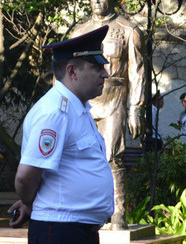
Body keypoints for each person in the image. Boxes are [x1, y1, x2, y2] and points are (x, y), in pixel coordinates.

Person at [8, 26, 114, 243]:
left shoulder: (77, 109)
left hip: (75, 229)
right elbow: (25, 177)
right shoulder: (55, 112)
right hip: (60, 230)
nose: (106, 73)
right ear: (72, 71)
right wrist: (29, 203)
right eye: (97, 67)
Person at [70, 0, 146, 230]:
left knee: (112, 155)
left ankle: (118, 213)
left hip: (114, 97)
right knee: (81, 157)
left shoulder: (128, 30)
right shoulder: (79, 32)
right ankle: (88, 211)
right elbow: (67, 72)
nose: (97, 0)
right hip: (83, 102)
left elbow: (137, 73)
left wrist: (136, 109)